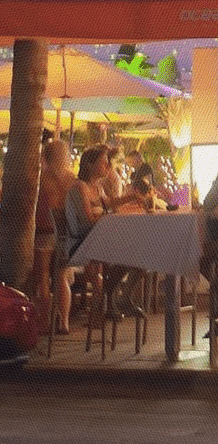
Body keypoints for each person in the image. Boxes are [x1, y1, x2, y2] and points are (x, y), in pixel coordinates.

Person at [65, 145, 146, 325]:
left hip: (98, 238)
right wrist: (110, 219)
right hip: (83, 242)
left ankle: (115, 295)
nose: (108, 166)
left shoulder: (97, 187)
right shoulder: (80, 187)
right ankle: (111, 297)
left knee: (140, 253)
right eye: (103, 162)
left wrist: (132, 197)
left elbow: (109, 203)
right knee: (134, 252)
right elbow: (87, 220)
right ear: (89, 165)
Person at [30, 139, 77, 335]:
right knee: (61, 277)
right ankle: (64, 322)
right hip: (65, 233)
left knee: (42, 277)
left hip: (44, 231)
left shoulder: (40, 179)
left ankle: (45, 320)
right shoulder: (71, 179)